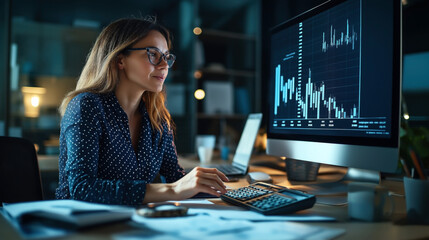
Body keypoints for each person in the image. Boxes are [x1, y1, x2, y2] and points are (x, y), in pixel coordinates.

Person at [55, 17, 228, 205]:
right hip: (80, 226)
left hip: (132, 223)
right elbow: (82, 189)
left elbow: (175, 178)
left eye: (167, 56)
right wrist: (174, 189)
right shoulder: (86, 106)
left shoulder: (157, 116)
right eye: (153, 54)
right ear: (120, 59)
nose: (164, 65)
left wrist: (231, 192)